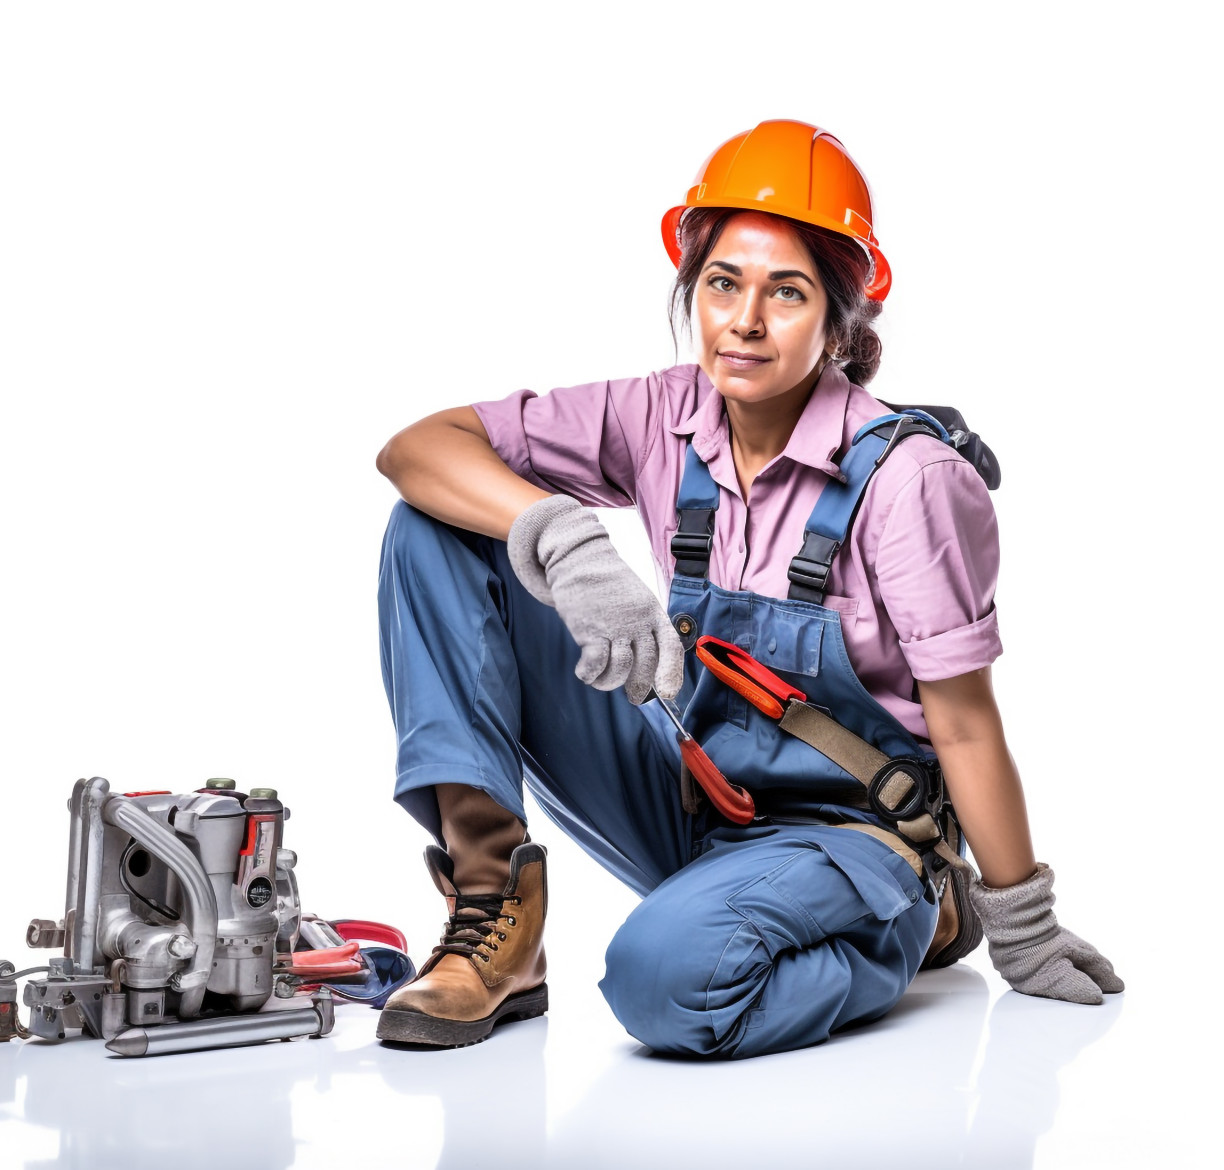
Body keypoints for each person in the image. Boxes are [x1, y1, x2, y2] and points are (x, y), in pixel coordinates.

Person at [372, 119, 1122, 1058]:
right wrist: (566, 539)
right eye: (723, 283)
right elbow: (415, 449)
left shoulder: (910, 480)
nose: (746, 320)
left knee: (666, 984)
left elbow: (965, 721)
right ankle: (495, 918)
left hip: (853, 835)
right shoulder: (661, 414)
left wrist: (1024, 926)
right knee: (437, 527)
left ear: (842, 321)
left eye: (789, 293)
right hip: (695, 793)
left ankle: (915, 919)